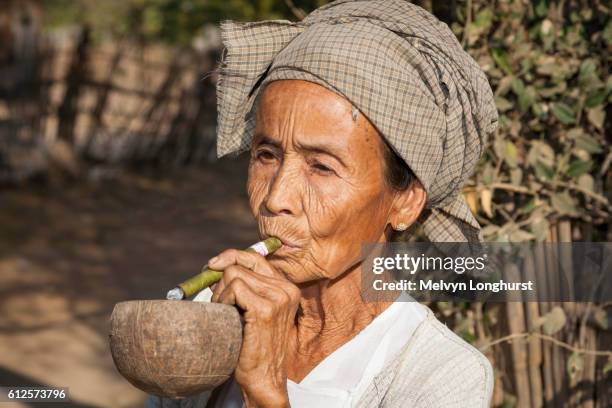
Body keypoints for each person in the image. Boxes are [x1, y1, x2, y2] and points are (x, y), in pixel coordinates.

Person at [146, 0, 498, 406]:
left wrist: (264, 390)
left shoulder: (440, 374)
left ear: (404, 202)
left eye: (321, 167)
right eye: (266, 155)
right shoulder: (214, 314)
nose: (276, 199)